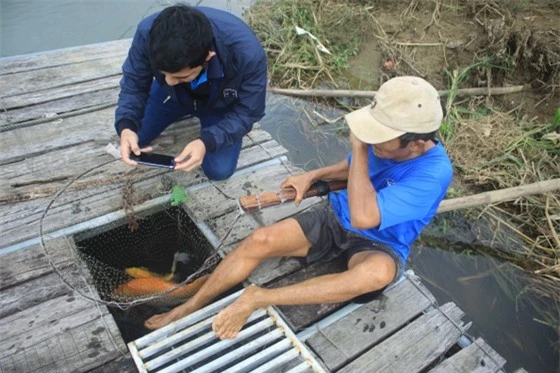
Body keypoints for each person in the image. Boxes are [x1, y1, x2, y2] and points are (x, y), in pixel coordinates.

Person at [144, 76, 453, 339]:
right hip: (336, 215)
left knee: (374, 276)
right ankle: (186, 308)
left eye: (380, 141)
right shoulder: (386, 145)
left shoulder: (433, 173)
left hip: (380, 242)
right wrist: (312, 175)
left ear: (415, 143)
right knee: (261, 240)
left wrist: (359, 146)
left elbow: (365, 216)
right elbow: (350, 171)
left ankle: (258, 297)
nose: (373, 145)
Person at [115, 5, 267, 180]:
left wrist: (206, 142)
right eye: (163, 74)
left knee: (220, 171)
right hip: (170, 95)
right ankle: (178, 102)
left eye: (181, 76)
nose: (169, 81)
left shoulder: (248, 54)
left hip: (220, 104)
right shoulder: (147, 34)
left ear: (208, 57)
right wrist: (126, 125)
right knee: (134, 138)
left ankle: (202, 117)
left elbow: (248, 112)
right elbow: (134, 82)